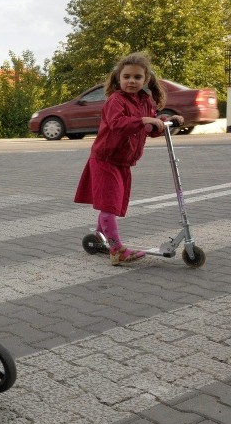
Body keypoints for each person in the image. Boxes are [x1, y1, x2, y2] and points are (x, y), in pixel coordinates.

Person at [74, 52, 184, 266]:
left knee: (111, 203)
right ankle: (116, 250)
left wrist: (165, 121)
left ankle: (100, 236)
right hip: (106, 159)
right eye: (127, 77)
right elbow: (118, 124)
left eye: (137, 77)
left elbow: (149, 129)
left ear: (146, 79)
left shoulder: (144, 101)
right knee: (109, 205)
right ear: (118, 79)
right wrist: (143, 119)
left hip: (123, 161)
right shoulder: (115, 100)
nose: (131, 81)